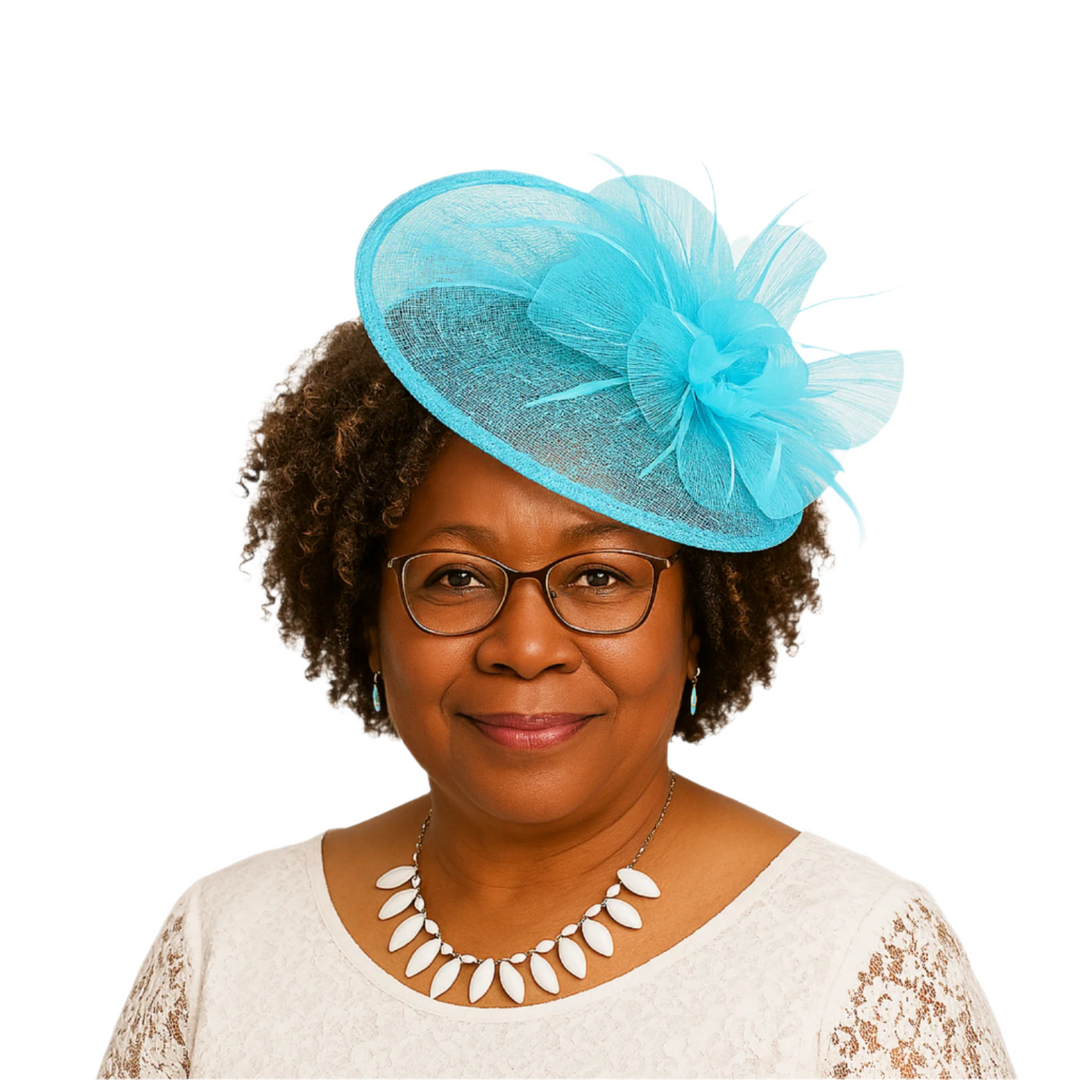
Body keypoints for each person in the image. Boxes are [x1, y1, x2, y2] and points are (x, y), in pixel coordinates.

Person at [99, 167, 1014, 1078]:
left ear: (700, 621)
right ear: (366, 616)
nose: (526, 647)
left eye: (600, 577)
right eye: (456, 576)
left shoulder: (853, 964)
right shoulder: (225, 949)